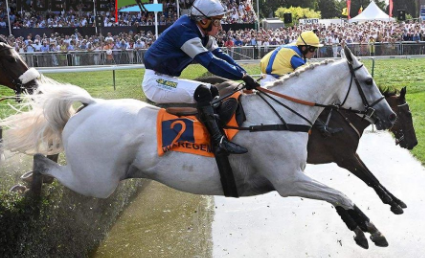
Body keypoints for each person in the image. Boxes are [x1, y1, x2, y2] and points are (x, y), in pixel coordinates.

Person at [142, 0, 260, 155]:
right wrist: (241, 76)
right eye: (217, 22)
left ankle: (213, 134)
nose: (220, 26)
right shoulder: (185, 31)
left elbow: (220, 56)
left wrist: (245, 74)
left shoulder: (201, 32)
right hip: (156, 82)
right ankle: (218, 141)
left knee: (212, 90)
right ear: (204, 21)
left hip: (166, 78)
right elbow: (210, 63)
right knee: (204, 91)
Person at [259, 31, 342, 137]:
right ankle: (321, 129)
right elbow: (311, 75)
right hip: (272, 81)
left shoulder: (295, 50)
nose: (314, 52)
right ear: (304, 47)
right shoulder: (294, 57)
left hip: (273, 78)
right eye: (312, 49)